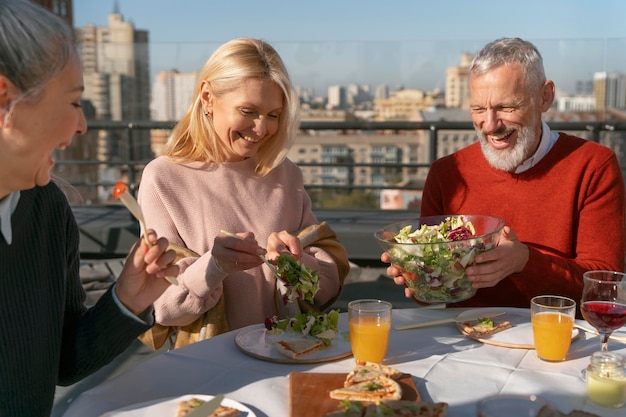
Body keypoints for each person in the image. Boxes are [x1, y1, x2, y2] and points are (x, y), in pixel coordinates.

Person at [0, 1, 180, 415]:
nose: (81, 126)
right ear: (6, 101)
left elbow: (62, 363)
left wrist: (126, 299)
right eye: (74, 102)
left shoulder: (45, 210)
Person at [137, 37, 350, 348]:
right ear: (207, 98)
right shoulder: (163, 178)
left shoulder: (286, 175)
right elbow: (161, 309)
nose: (262, 129)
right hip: (212, 372)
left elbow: (325, 293)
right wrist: (213, 267)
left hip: (288, 357)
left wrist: (298, 263)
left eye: (273, 115)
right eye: (248, 111)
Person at [383, 37, 625, 309]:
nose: (489, 125)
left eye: (506, 107)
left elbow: (605, 287)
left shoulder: (594, 165)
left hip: (558, 337)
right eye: (478, 109)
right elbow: (430, 297)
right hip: (469, 338)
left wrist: (524, 261)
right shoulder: (446, 172)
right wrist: (418, 276)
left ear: (544, 97)